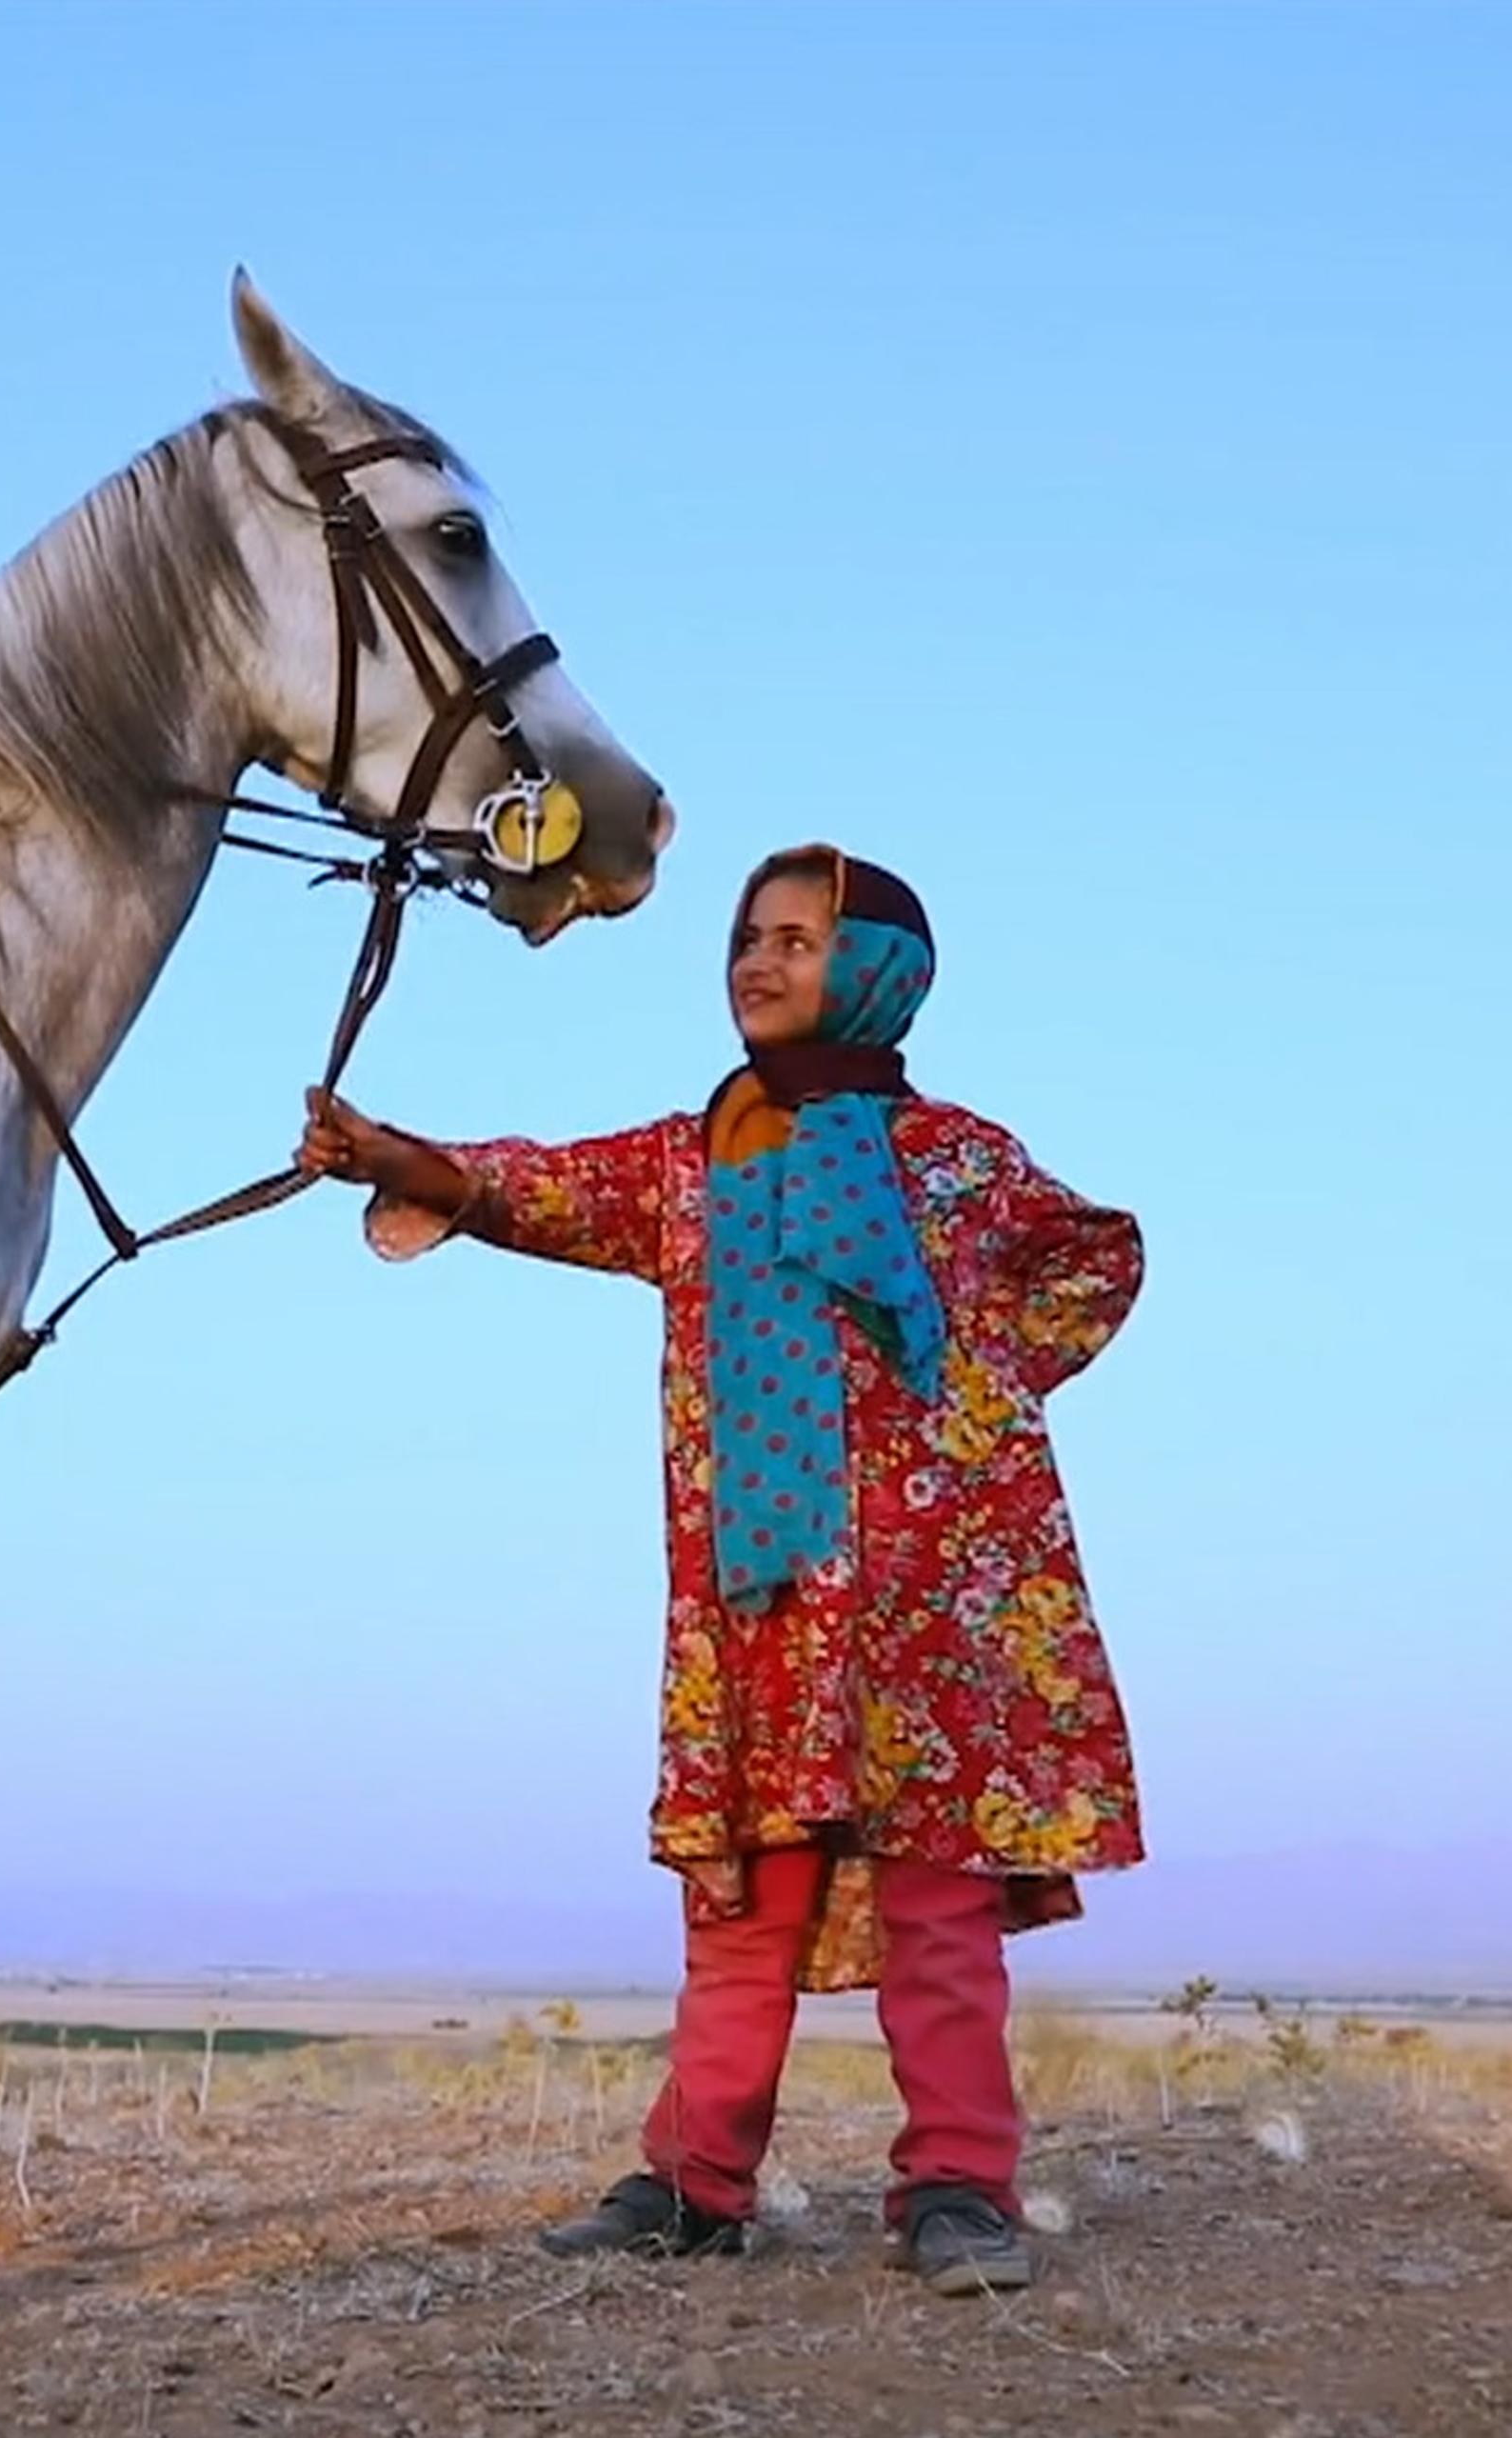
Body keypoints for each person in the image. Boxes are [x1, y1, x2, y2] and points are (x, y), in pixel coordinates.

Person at [295, 846, 1145, 2297]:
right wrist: (394, 1159)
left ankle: (959, 2189)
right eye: (749, 937)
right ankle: (699, 2184)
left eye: (798, 940)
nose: (758, 961)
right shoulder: (694, 1163)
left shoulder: (963, 1164)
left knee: (939, 1918)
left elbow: (1099, 1260)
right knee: (744, 1907)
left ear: (874, 971)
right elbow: (541, 1189)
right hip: (758, 1606)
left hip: (935, 1612)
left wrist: (983, 1401)